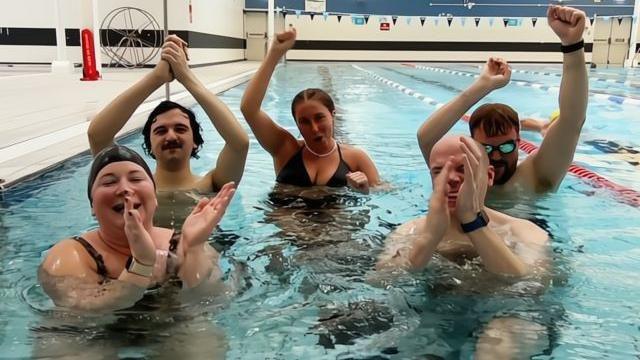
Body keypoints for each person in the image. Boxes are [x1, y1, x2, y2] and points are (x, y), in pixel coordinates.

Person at [376, 136, 551, 358]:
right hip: (436, 315)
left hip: (512, 315)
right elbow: (381, 280)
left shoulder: (524, 231)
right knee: (419, 345)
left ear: (488, 177)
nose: (450, 178)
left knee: (498, 344)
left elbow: (531, 284)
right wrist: (430, 238)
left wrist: (472, 220)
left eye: (463, 168)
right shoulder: (410, 231)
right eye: (438, 172)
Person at [38, 145, 236, 312]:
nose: (125, 188)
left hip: (170, 327)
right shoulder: (71, 254)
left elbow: (210, 299)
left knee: (198, 339)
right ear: (92, 207)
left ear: (155, 199)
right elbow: (85, 313)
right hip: (98, 337)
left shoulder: (179, 243)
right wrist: (141, 265)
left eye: (136, 179)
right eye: (109, 182)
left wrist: (194, 248)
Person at [417, 5, 588, 195]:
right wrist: (482, 85)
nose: (497, 155)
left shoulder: (536, 175)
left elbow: (572, 120)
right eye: (487, 148)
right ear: (472, 146)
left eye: (506, 146)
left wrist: (572, 45)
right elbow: (425, 139)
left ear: (518, 141)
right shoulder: (462, 176)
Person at [87, 35, 249, 193]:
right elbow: (98, 136)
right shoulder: (134, 187)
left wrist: (186, 76)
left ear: (195, 141)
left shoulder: (213, 185)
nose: (171, 136)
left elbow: (239, 144)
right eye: (160, 131)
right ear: (149, 144)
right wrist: (156, 77)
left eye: (180, 128)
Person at [240, 27, 380, 193]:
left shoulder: (356, 158)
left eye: (319, 118)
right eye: (304, 122)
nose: (314, 128)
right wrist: (274, 54)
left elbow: (384, 192)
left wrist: (365, 189)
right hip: (285, 217)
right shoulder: (285, 149)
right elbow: (249, 109)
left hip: (336, 219)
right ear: (297, 124)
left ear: (332, 115)